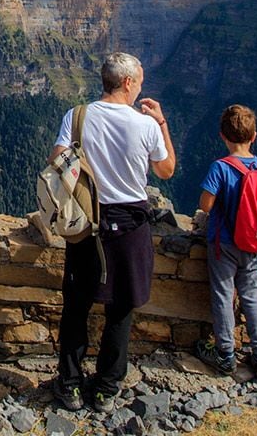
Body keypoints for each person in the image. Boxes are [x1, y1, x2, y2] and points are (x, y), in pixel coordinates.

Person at [49, 52, 175, 413]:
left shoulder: (77, 116)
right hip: (131, 224)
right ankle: (106, 388)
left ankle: (70, 384)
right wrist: (162, 122)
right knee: (121, 307)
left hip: (87, 220)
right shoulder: (145, 125)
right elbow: (166, 170)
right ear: (127, 83)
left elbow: (57, 157)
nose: (140, 87)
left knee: (76, 305)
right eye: (139, 81)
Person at [195, 104, 257, 379]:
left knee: (223, 295)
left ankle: (226, 353)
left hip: (224, 243)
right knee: (253, 297)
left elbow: (205, 205)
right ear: (254, 136)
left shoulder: (221, 167)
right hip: (254, 244)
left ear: (222, 136)